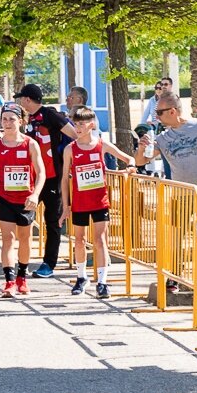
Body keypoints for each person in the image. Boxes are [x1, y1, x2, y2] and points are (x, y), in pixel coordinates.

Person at [134, 91, 197, 311]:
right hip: (180, 195)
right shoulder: (163, 137)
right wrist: (142, 147)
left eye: (159, 112)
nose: (156, 116)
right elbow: (141, 160)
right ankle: (173, 277)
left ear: (172, 111)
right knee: (175, 238)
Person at [59, 108, 135, 298]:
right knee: (79, 240)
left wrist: (131, 167)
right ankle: (81, 277)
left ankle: (102, 281)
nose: (78, 128)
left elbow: (128, 158)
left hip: (100, 201)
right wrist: (66, 205)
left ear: (91, 125)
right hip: (79, 202)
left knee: (100, 240)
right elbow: (64, 179)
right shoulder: (70, 149)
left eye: (82, 124)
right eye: (75, 124)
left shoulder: (101, 145)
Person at [14, 83, 77, 278]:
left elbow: (74, 135)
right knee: (23, 216)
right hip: (32, 178)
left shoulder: (51, 115)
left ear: (27, 99)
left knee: (53, 221)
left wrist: (68, 161)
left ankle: (49, 264)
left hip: (53, 177)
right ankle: (21, 260)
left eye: (21, 99)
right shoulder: (28, 118)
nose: (20, 102)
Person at [0, 103, 45, 298]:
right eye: (5, 119)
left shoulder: (30, 144)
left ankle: (22, 278)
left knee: (25, 239)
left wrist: (35, 194)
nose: (8, 123)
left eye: (12, 119)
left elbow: (41, 172)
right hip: (6, 198)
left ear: (21, 121)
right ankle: (9, 281)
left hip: (26, 200)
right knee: (8, 239)